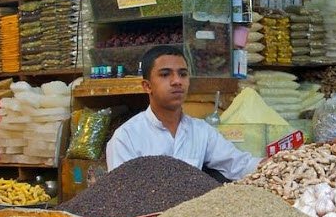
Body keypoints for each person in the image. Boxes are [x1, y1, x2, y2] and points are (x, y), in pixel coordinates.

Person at [105, 45, 260, 180]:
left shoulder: (201, 131)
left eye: (183, 74)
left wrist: (277, 163)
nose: (177, 81)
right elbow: (121, 195)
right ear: (147, 86)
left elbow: (238, 164)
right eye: (165, 74)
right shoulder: (126, 138)